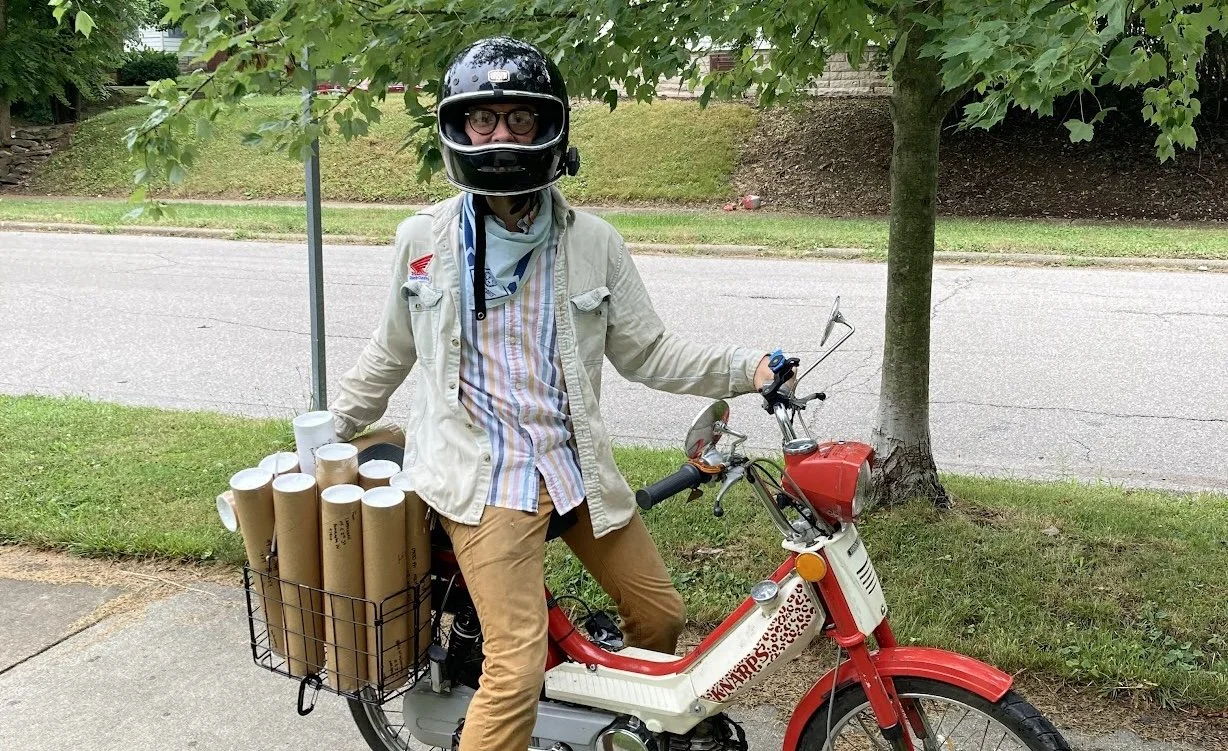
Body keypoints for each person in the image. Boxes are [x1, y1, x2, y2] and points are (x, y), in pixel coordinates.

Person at [329, 36, 777, 751]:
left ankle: (628, 734)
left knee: (659, 614)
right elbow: (391, 349)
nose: (501, 134)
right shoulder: (423, 240)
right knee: (516, 663)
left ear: (548, 127)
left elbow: (649, 351)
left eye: (519, 119)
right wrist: (326, 429)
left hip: (572, 468)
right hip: (485, 480)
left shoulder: (593, 241)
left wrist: (744, 367)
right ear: (459, 128)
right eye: (484, 120)